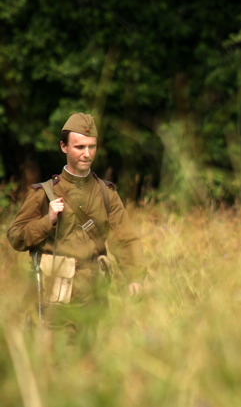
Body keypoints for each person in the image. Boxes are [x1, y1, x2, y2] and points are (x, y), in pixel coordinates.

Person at [7, 113, 144, 338]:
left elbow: (126, 239)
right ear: (64, 147)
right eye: (79, 147)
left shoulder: (106, 194)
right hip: (55, 303)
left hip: (95, 301)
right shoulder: (44, 193)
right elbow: (15, 237)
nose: (87, 154)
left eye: (92, 147)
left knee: (95, 365)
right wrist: (47, 221)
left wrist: (135, 277)